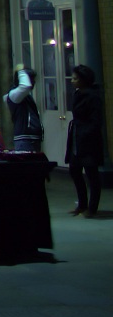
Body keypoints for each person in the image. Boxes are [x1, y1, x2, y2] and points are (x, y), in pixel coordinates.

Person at [65, 64, 103, 218]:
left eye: (75, 78)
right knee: (74, 170)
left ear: (83, 80)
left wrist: (86, 133)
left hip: (88, 140)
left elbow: (95, 121)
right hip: (76, 137)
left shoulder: (92, 96)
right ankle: (82, 204)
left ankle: (92, 208)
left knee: (91, 173)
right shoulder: (77, 94)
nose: (72, 81)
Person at [5, 66, 43, 152]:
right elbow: (25, 86)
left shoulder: (27, 97)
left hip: (33, 139)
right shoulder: (14, 95)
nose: (33, 82)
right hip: (24, 140)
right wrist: (21, 72)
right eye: (31, 79)